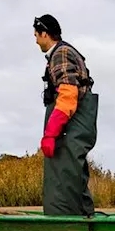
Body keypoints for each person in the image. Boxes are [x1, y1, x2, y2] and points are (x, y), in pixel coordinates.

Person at [34, 14, 99, 217]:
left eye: (37, 35)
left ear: (46, 34)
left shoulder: (60, 53)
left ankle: (66, 225)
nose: (36, 41)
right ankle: (85, 220)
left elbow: (68, 93)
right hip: (76, 125)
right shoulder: (65, 52)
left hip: (69, 126)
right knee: (74, 174)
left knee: (63, 176)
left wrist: (51, 133)